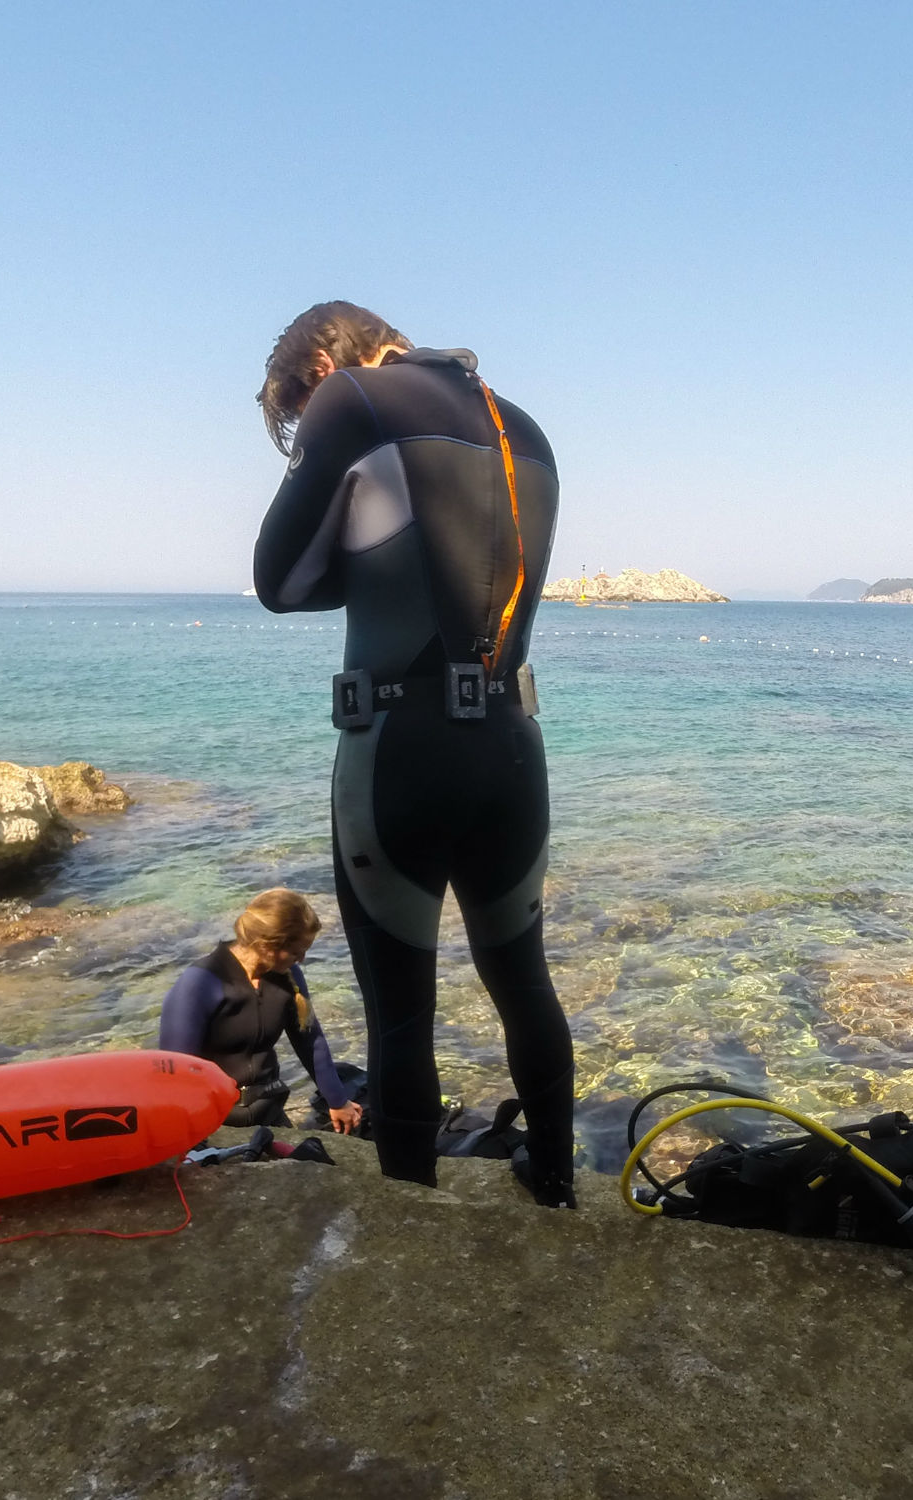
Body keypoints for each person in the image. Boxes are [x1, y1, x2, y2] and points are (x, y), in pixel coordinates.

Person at [250, 301, 577, 1207]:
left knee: (402, 1016)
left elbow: (281, 580)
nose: (305, 414)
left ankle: (408, 1224)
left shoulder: (349, 399)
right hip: (515, 750)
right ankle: (555, 1186)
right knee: (525, 984)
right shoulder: (529, 430)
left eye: (298, 398)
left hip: (399, 748)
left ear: (321, 358)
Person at [158, 888, 363, 1132]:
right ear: (267, 945)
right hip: (216, 1118)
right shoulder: (201, 982)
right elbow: (175, 1071)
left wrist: (337, 1100)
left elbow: (311, 1041)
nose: (302, 960)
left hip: (270, 1109)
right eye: (297, 952)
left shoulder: (288, 977)